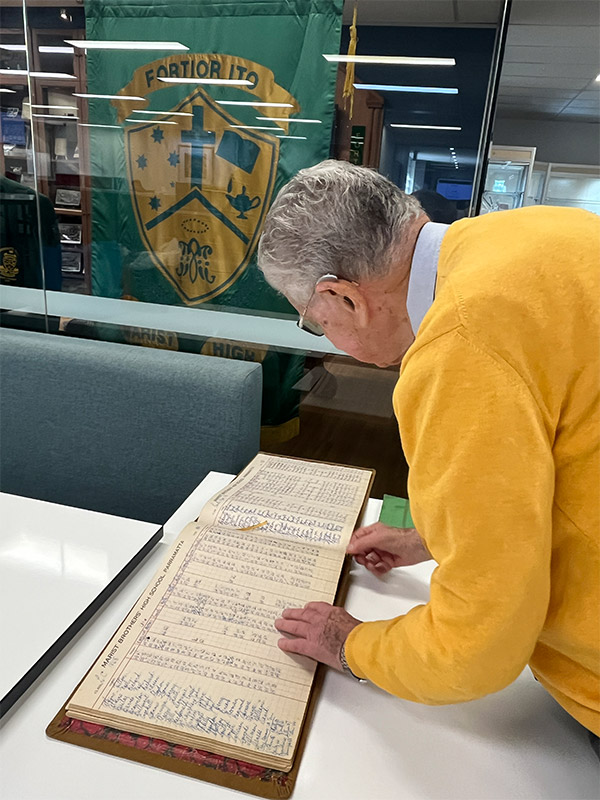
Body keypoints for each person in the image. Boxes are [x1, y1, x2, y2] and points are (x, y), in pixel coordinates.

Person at [257, 160, 599, 745]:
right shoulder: (542, 233)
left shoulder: (457, 351)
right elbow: (565, 449)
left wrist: (350, 643)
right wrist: (428, 536)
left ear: (342, 296)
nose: (329, 341)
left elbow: (479, 647)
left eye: (317, 323)